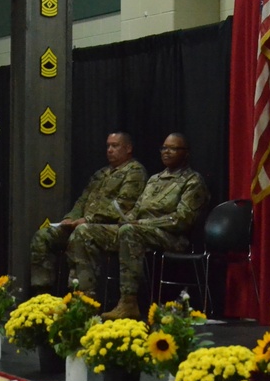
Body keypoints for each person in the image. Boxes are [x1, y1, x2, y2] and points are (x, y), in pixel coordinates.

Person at [67, 132, 210, 320]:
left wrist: (139, 223)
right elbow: (137, 209)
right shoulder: (154, 179)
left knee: (129, 231)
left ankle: (128, 302)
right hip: (138, 231)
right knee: (84, 231)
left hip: (171, 237)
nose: (166, 152)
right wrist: (126, 219)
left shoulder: (193, 181)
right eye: (164, 148)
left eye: (173, 149)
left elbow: (182, 220)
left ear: (186, 153)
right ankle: (85, 300)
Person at [29, 132, 147, 295]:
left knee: (81, 233)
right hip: (83, 224)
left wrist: (88, 219)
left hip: (111, 229)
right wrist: (71, 218)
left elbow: (123, 205)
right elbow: (82, 201)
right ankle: (41, 294)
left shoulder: (135, 172)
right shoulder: (101, 174)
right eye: (108, 146)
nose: (110, 150)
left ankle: (82, 296)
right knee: (43, 236)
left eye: (115, 145)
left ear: (128, 148)